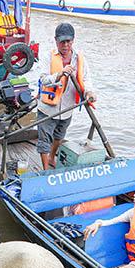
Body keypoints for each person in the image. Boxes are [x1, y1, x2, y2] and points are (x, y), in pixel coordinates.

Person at [36, 23, 96, 170]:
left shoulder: (79, 58)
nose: (65, 45)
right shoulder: (48, 56)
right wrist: (60, 74)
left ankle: (52, 157)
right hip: (48, 108)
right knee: (44, 140)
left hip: (67, 108)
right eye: (62, 41)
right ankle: (45, 170)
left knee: (59, 136)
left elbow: (86, 79)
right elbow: (43, 79)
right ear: (56, 40)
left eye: (68, 41)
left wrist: (89, 92)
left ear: (73, 41)